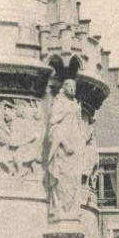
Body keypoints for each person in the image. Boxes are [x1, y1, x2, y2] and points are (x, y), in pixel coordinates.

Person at [46, 78, 85, 216]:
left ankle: (71, 211)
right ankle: (60, 209)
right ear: (64, 87)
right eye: (70, 86)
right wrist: (64, 144)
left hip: (76, 148)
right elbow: (53, 125)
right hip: (64, 148)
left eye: (75, 86)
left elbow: (79, 125)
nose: (73, 89)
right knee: (63, 177)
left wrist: (81, 142)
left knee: (74, 179)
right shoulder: (59, 103)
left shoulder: (75, 104)